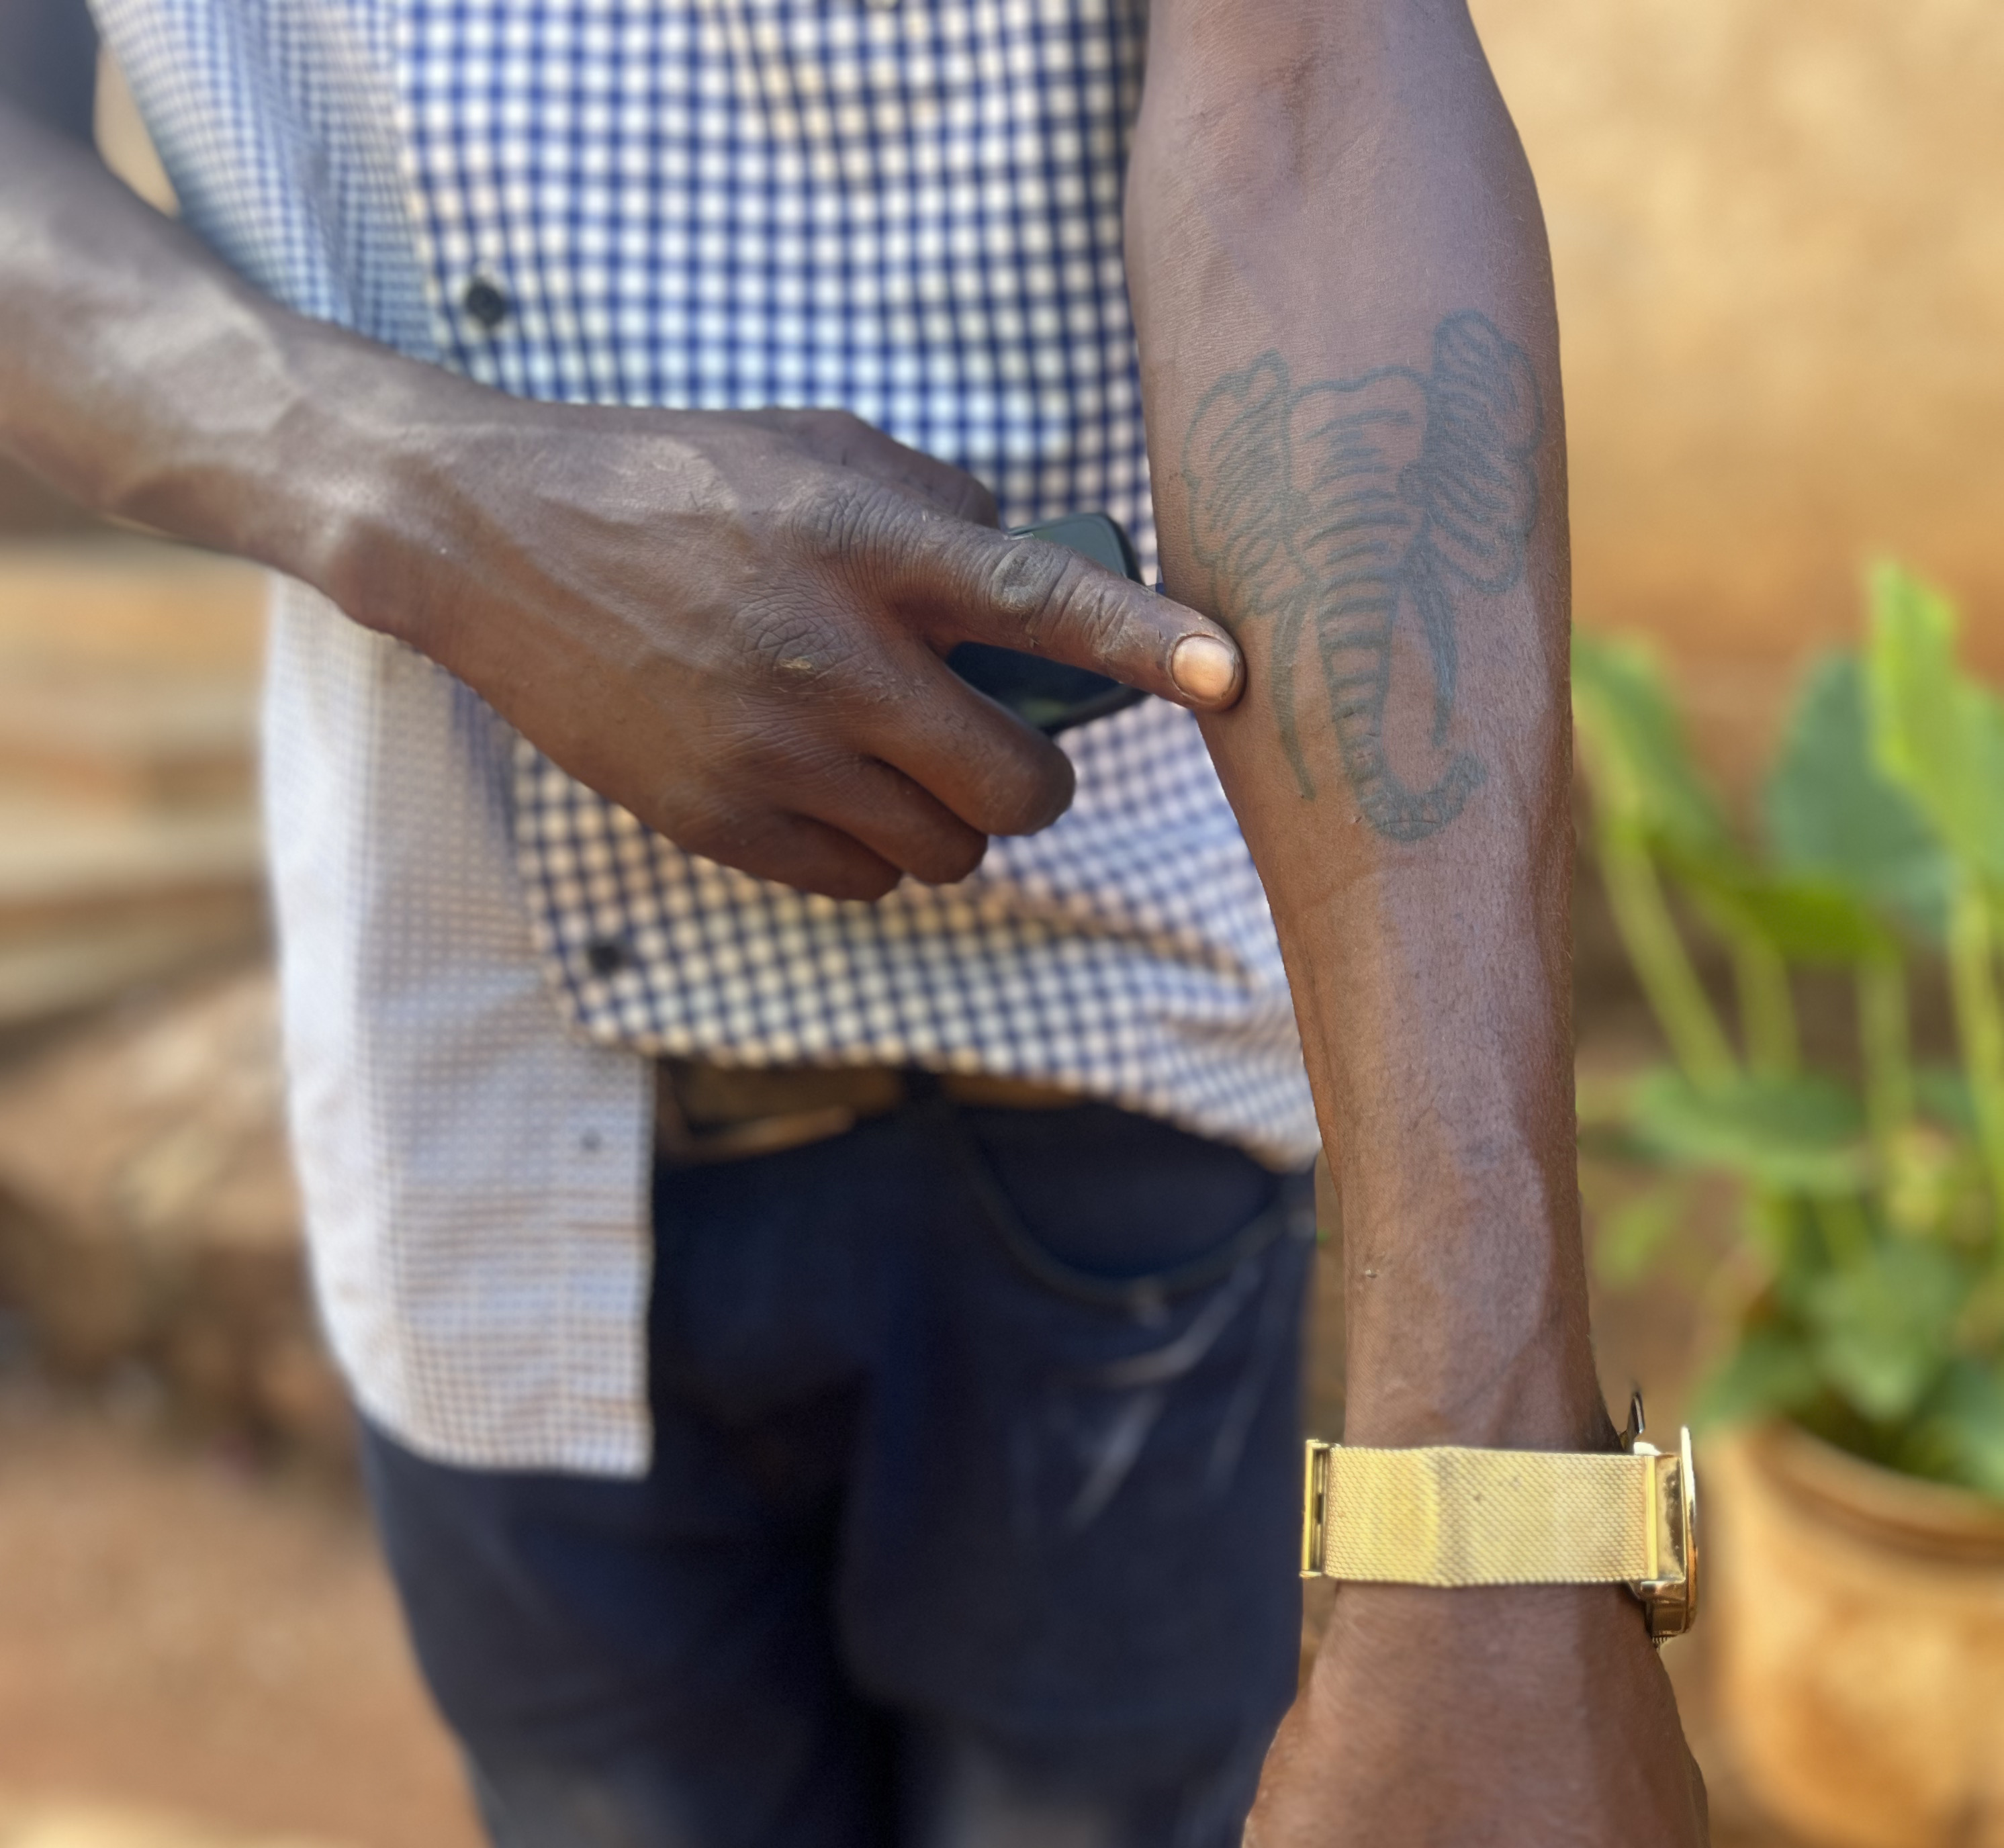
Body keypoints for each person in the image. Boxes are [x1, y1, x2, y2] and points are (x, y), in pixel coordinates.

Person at [0, 0, 1707, 1840]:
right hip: (474, 1094)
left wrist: (1490, 1508)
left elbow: (1312, 92)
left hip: (1113, 1082)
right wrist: (446, 509)